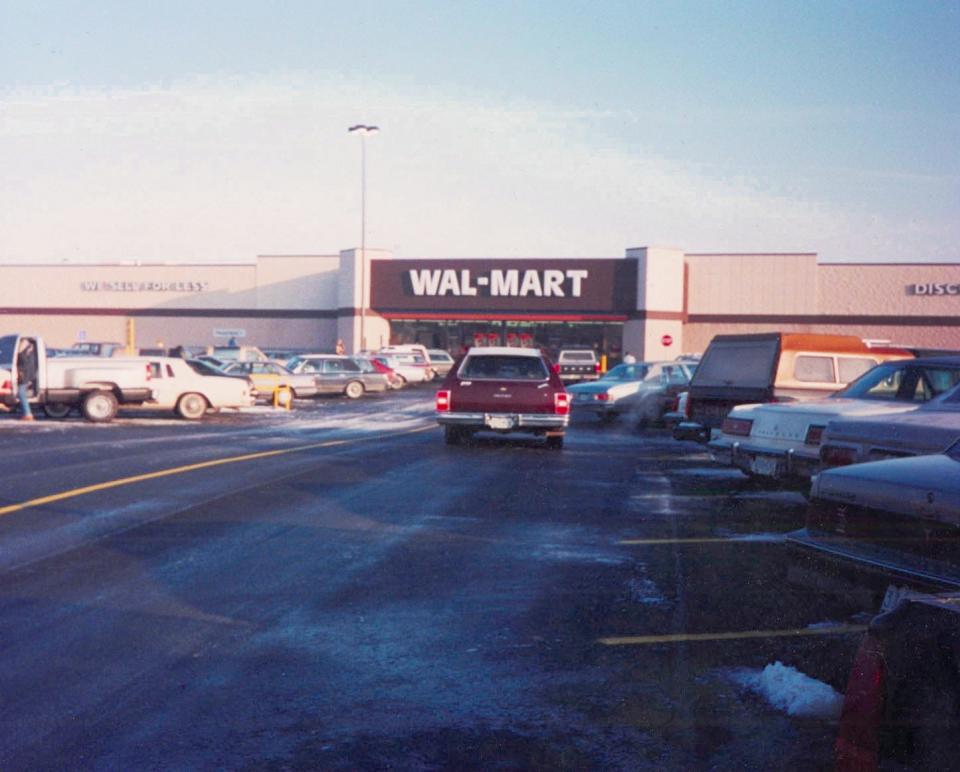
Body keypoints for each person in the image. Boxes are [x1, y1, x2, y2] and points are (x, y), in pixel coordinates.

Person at [16, 339, 37, 421]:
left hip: (25, 376)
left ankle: (28, 414)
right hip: (26, 375)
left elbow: (25, 364)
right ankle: (26, 413)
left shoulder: (25, 353)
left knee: (21, 393)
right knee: (21, 393)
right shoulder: (30, 352)